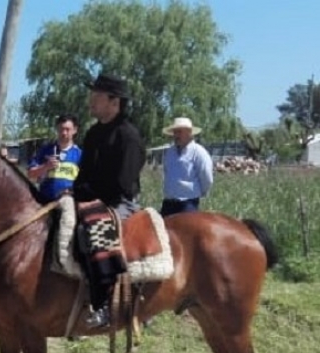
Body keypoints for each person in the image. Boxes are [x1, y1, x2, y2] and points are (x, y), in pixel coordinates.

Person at [73, 73, 146, 329]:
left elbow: (122, 184)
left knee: (95, 227)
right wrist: (75, 193)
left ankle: (106, 301)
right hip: (91, 197)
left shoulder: (129, 137)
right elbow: (83, 173)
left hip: (120, 202)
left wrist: (89, 197)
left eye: (97, 96)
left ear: (114, 102)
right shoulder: (94, 133)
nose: (91, 101)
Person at [160, 117, 213, 216]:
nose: (176, 135)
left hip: (188, 204)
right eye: (175, 132)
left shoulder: (199, 152)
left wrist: (198, 193)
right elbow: (166, 173)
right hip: (168, 203)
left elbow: (207, 178)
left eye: (179, 132)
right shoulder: (170, 152)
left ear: (189, 132)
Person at [27, 114, 82, 202]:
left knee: (68, 214)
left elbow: (85, 182)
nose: (64, 133)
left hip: (68, 202)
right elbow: (30, 174)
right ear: (57, 129)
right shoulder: (45, 150)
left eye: (67, 129)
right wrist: (46, 167)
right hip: (43, 201)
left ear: (75, 130)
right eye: (61, 129)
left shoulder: (79, 154)